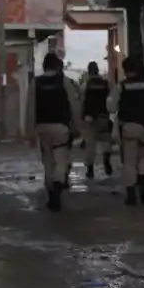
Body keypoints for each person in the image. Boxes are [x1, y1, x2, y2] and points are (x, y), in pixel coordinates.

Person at [108, 55, 144, 206]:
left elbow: (111, 106)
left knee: (129, 162)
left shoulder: (121, 87)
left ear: (125, 69)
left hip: (128, 128)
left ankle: (131, 195)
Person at [26, 53, 82, 212]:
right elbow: (74, 105)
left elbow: (30, 109)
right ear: (57, 66)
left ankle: (51, 191)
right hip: (61, 126)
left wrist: (29, 132)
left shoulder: (36, 83)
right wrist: (77, 126)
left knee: (48, 160)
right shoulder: (64, 82)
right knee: (61, 159)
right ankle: (57, 186)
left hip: (42, 127)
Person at [81, 61, 114, 178]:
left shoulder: (85, 85)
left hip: (89, 118)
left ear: (89, 72)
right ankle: (106, 159)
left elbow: (82, 102)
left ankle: (90, 169)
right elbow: (111, 100)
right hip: (103, 117)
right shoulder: (106, 84)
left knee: (90, 144)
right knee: (106, 141)